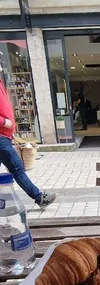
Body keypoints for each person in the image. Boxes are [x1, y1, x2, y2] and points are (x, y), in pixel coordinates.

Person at [0, 79, 56, 208]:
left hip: (4, 135)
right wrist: (3, 123)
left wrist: (10, 130)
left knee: (17, 168)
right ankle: (39, 198)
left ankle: (39, 198)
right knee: (17, 168)